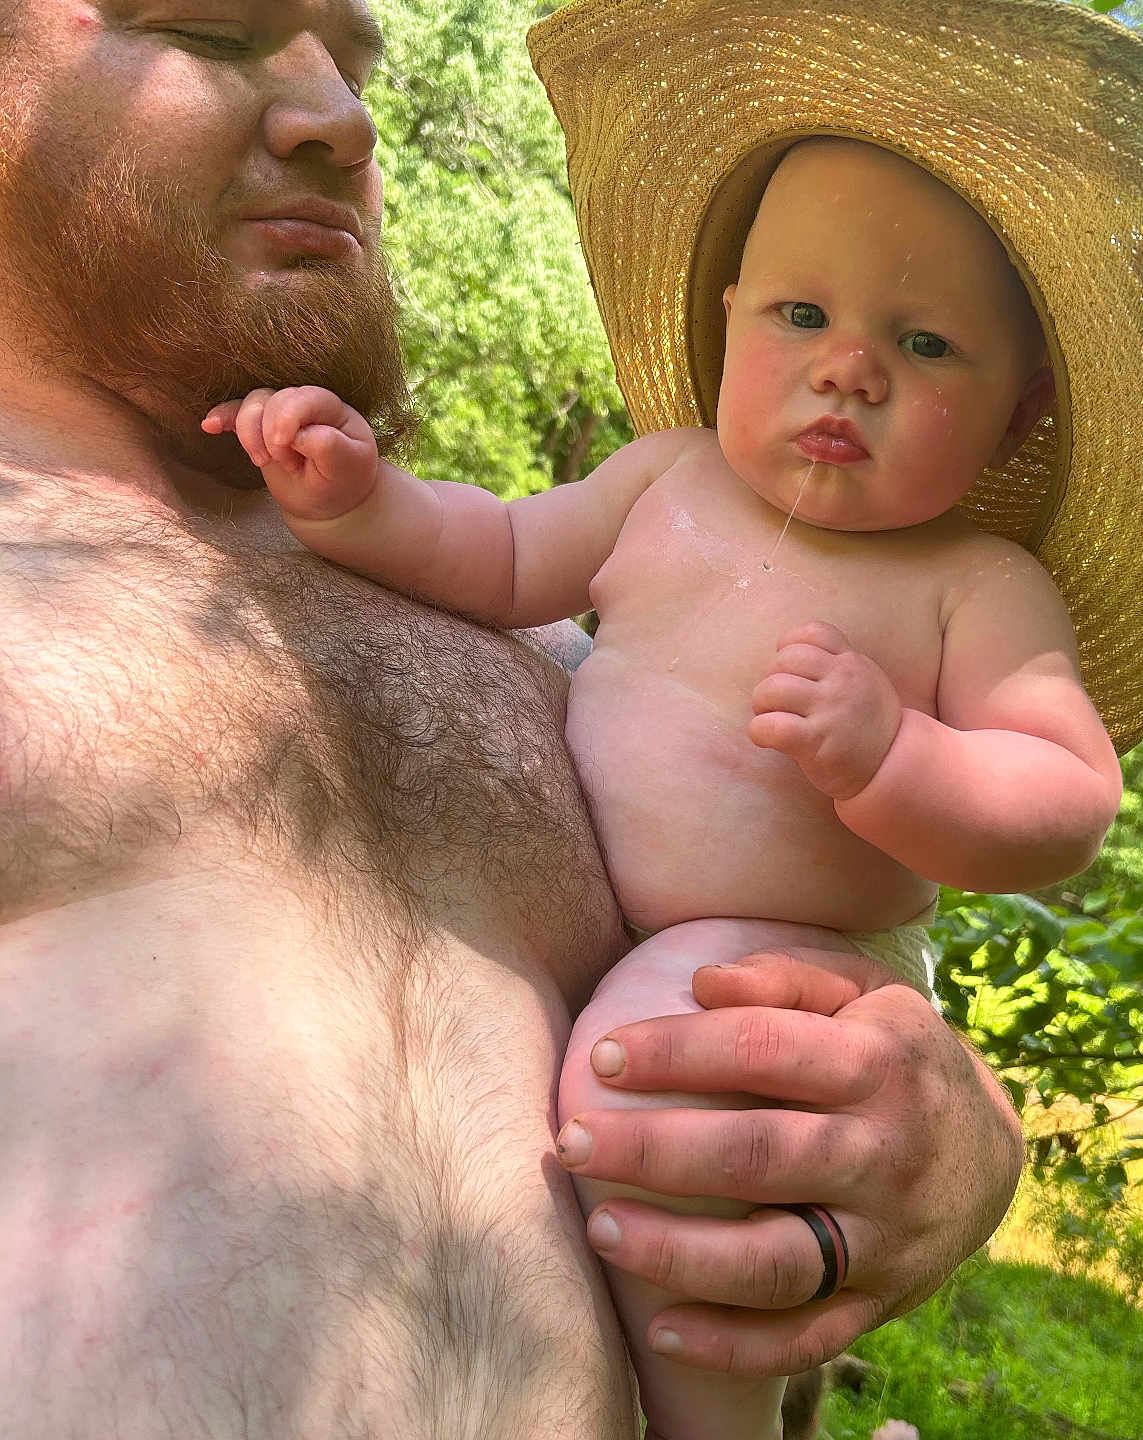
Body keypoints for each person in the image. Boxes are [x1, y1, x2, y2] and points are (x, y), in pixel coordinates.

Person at [203, 0, 1143, 1433]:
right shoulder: (666, 479)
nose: (849, 366)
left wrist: (900, 756)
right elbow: (502, 555)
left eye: (927, 344)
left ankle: (715, 1423)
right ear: (729, 323)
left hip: (780, 959)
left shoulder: (973, 586)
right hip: (607, 939)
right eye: (803, 314)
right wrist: (364, 501)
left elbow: (1065, 798)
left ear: (1022, 416)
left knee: (662, 1118)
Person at [0, 3, 1035, 1436]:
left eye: (356, 66)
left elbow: (786, 950)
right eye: (214, 24)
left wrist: (960, 1134)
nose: (337, 118)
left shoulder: (548, 636)